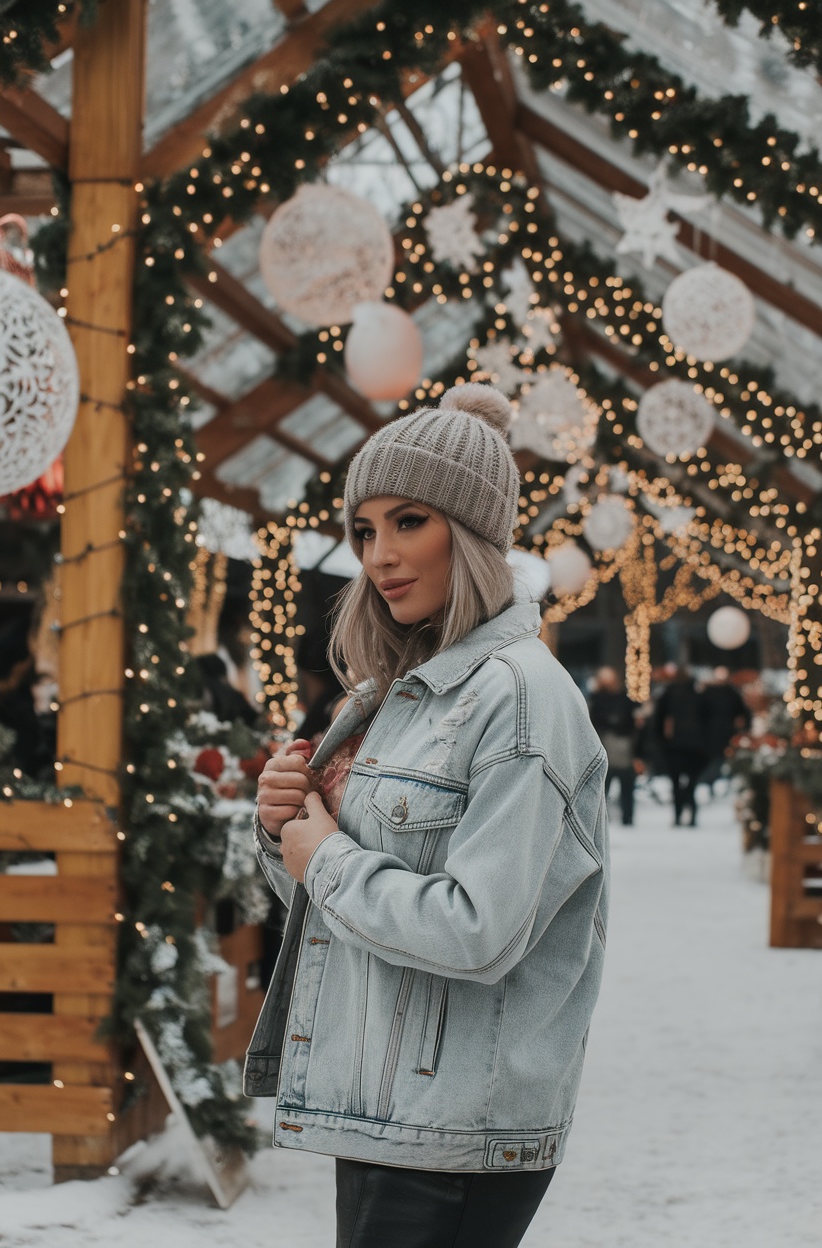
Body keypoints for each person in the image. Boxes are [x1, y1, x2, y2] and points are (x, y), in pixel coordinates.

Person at [247, 383, 609, 1248]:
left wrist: (322, 852)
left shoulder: (522, 703)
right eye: (364, 530)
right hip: (386, 1103)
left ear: (474, 534)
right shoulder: (392, 695)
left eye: (410, 522)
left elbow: (476, 931)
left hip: (453, 1124)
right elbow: (331, 892)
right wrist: (281, 827)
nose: (379, 555)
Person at [653, 667, 708, 827]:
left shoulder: (668, 694)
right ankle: (691, 814)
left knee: (676, 783)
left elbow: (659, 719)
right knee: (691, 783)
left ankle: (678, 814)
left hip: (674, 745)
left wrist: (660, 741)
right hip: (696, 746)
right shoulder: (699, 695)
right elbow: (707, 719)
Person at [588, 666, 641, 826]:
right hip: (611, 747)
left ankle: (624, 817)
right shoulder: (598, 699)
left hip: (617, 748)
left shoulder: (618, 700)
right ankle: (613, 817)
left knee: (617, 786)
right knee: (608, 787)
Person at [699, 666, 751, 791]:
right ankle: (713, 781)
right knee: (719, 757)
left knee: (718, 757)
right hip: (721, 731)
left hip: (716, 731)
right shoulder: (730, 692)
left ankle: (713, 781)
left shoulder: (722, 693)